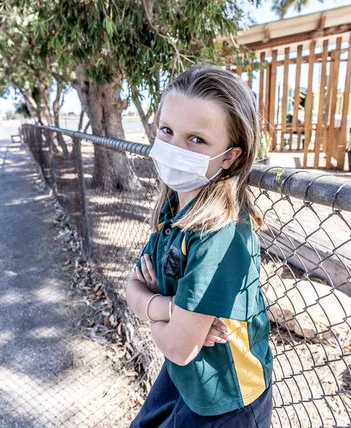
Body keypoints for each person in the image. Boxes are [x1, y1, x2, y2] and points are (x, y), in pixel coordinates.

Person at [126, 65, 273, 427]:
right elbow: (131, 287)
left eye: (197, 140)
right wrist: (166, 308)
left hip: (227, 397)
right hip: (184, 377)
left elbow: (179, 346)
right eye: (167, 131)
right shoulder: (173, 206)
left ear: (229, 157)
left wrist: (152, 309)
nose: (175, 148)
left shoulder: (222, 234)